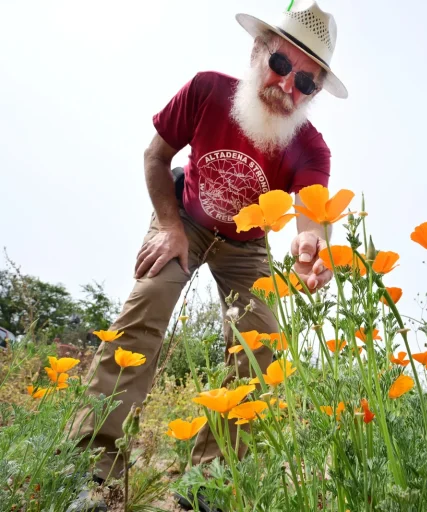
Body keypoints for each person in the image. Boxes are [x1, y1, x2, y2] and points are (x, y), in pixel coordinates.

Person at [67, 1, 347, 510]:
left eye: (305, 82)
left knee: (260, 344)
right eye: (281, 64)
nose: (287, 86)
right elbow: (155, 155)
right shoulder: (207, 90)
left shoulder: (312, 148)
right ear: (259, 51)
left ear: (315, 92)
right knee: (148, 304)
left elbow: (311, 214)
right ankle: (95, 471)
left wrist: (311, 243)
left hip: (247, 244)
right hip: (185, 219)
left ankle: (208, 484)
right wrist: (168, 225)